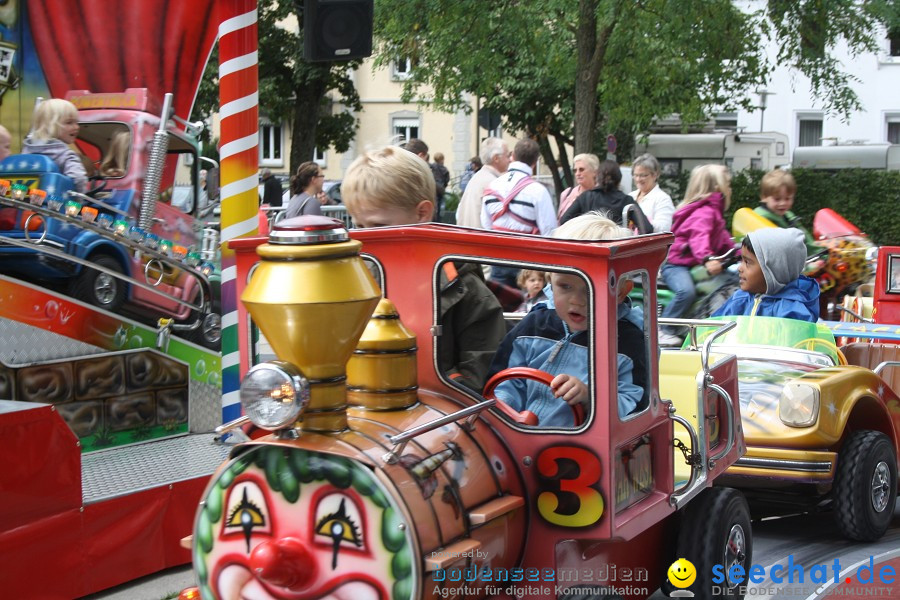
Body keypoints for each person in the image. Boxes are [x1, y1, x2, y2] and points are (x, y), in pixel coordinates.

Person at [342, 145, 506, 391]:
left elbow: (482, 367)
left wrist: (448, 387)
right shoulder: (353, 278)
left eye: (378, 225)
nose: (367, 237)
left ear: (422, 213)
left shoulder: (462, 286)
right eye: (359, 226)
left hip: (434, 417)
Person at [486, 213, 645, 426]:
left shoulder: (628, 340)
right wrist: (505, 413)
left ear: (621, 292)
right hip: (520, 440)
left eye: (591, 288)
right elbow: (505, 381)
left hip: (584, 449)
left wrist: (591, 398)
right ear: (551, 280)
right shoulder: (535, 324)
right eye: (565, 286)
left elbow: (636, 404)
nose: (577, 301)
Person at [659, 164, 737, 345]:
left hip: (694, 263)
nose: (730, 188)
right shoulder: (703, 213)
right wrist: (708, 258)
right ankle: (664, 328)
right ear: (717, 187)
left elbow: (724, 238)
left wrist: (743, 252)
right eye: (728, 183)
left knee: (732, 279)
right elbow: (699, 238)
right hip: (677, 264)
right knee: (686, 291)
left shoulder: (714, 212)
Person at [481, 137, 558, 287]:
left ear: (513, 156)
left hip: (498, 260)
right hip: (527, 264)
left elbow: (486, 224)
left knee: (501, 307)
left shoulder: (492, 186)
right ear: (535, 162)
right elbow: (549, 232)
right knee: (527, 309)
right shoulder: (538, 191)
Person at [713, 228, 820, 322]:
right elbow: (711, 330)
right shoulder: (739, 299)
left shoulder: (791, 311)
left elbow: (794, 343)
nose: (739, 268)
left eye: (748, 262)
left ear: (774, 269)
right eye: (741, 260)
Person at [560, 160, 648, 230]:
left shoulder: (585, 197)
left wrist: (583, 229)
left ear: (597, 177)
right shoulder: (627, 200)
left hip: (589, 247)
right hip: (617, 248)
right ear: (619, 179)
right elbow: (647, 228)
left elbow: (564, 220)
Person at [22, 98, 87, 192]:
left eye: (77, 122)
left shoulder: (26, 151)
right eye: (69, 122)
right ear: (50, 125)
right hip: (54, 204)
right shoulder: (66, 155)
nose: (76, 127)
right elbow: (79, 178)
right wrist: (78, 201)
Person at [753, 169, 818, 255]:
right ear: (764, 197)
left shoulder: (788, 216)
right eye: (777, 199)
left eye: (787, 198)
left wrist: (818, 250)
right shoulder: (758, 219)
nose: (783, 203)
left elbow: (804, 237)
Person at [456, 137, 510, 228]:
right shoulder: (494, 183)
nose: (510, 160)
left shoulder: (477, 178)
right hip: (481, 238)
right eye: (507, 155)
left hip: (467, 237)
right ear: (496, 158)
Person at [629, 153, 675, 233]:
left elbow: (664, 228)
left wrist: (640, 220)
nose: (638, 179)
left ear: (655, 175)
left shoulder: (663, 199)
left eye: (643, 175)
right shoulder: (630, 196)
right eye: (635, 175)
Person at [557, 153, 600, 219]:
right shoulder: (567, 194)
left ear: (595, 172)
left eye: (581, 169)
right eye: (575, 170)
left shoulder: (602, 194)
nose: (577, 173)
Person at [431, 151, 451, 217]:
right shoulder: (444, 169)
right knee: (439, 208)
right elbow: (447, 180)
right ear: (442, 159)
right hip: (441, 189)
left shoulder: (431, 167)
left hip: (433, 189)